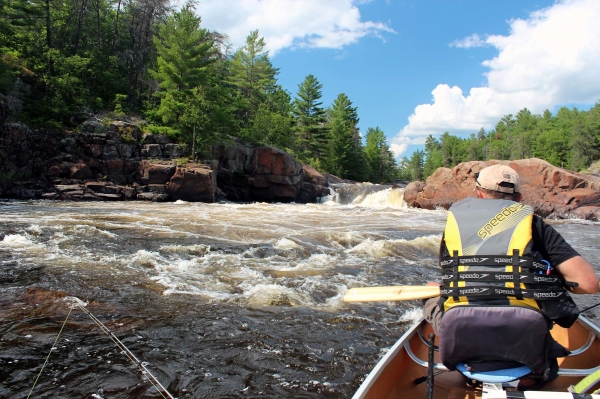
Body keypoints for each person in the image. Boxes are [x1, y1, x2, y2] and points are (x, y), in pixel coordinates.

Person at [423, 164, 598, 385]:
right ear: (519, 197)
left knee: (433, 289)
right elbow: (589, 285)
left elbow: (449, 274)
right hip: (524, 336)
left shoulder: (455, 225)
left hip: (463, 332)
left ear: (478, 193)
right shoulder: (534, 224)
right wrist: (548, 281)